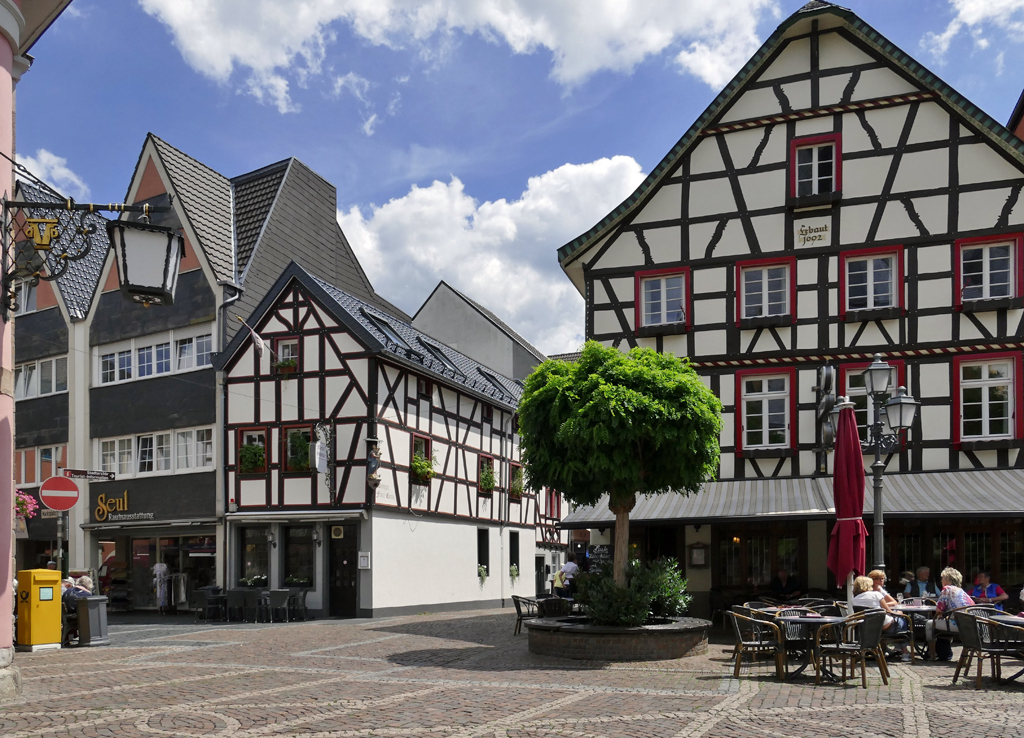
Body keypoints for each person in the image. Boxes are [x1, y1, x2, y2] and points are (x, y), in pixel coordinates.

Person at [853, 575, 912, 662]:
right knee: (902, 620)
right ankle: (904, 651)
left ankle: (885, 650)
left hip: (867, 628)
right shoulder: (876, 594)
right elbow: (889, 612)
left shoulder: (854, 599)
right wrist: (899, 613)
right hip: (884, 626)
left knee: (895, 621)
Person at [925, 566, 974, 661]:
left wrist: (940, 614)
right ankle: (944, 651)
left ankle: (932, 653)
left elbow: (939, 610)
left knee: (929, 624)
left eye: (942, 578)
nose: (941, 580)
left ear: (947, 579)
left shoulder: (947, 589)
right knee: (944, 621)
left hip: (958, 624)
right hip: (970, 624)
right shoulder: (961, 591)